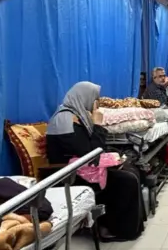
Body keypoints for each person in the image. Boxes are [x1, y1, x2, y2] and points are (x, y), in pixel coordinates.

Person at [46, 81, 143, 241]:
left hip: (83, 167)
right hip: (69, 174)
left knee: (131, 169)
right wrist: (97, 125)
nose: (95, 103)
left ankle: (131, 227)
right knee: (126, 180)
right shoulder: (64, 118)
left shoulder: (76, 115)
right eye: (93, 99)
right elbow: (89, 152)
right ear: (83, 97)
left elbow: (92, 149)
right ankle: (114, 229)